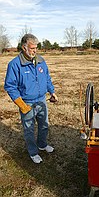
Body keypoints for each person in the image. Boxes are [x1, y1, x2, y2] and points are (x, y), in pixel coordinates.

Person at [4, 33, 58, 164]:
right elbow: (10, 86)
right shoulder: (15, 65)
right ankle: (33, 152)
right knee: (29, 129)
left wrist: (52, 92)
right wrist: (21, 104)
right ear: (24, 47)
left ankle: (42, 145)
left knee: (44, 125)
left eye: (36, 48)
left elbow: (47, 78)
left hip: (41, 100)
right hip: (26, 103)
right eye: (32, 48)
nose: (35, 51)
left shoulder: (41, 61)